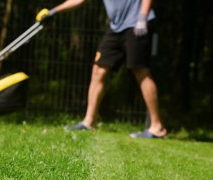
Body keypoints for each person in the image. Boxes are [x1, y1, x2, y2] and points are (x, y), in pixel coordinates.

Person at [36, 0, 167, 138]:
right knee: (98, 70)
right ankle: (89, 121)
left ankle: (157, 127)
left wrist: (142, 16)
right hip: (116, 28)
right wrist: (53, 11)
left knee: (140, 71)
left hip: (137, 23)